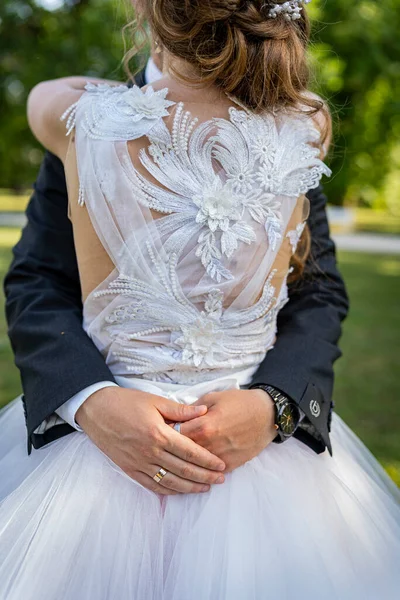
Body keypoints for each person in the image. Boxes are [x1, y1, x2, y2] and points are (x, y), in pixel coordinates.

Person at [1, 0, 399, 598]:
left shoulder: (74, 114)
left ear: (144, 8)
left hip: (265, 455)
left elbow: (317, 289)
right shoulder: (308, 124)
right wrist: (89, 401)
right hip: (97, 455)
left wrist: (275, 406)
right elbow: (37, 280)